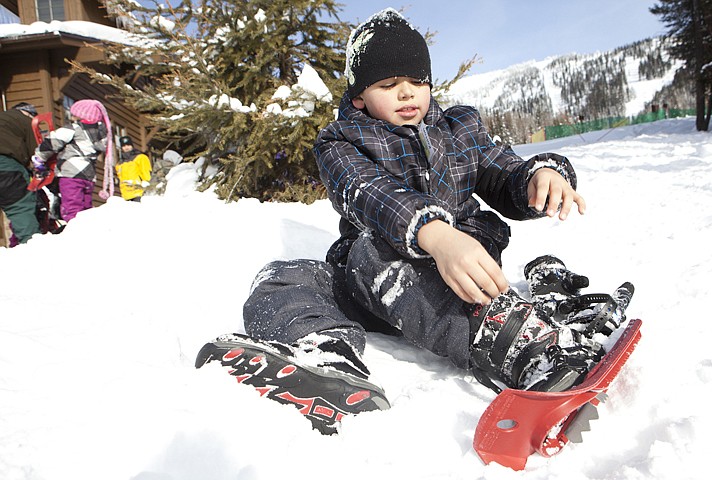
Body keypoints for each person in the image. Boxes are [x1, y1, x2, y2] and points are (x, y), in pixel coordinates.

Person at [196, 9, 634, 434]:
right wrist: (433, 232)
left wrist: (539, 175)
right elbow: (369, 192)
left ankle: (523, 349)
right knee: (281, 277)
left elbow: (503, 171)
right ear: (359, 97)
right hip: (374, 280)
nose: (407, 93)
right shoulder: (341, 142)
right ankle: (327, 357)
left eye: (417, 81)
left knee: (379, 257)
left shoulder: (461, 128)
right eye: (389, 84)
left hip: (455, 281)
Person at [33, 99, 114, 221]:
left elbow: (53, 141)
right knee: (86, 209)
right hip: (89, 176)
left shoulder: (74, 129)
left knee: (72, 208)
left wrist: (39, 157)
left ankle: (74, 233)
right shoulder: (101, 133)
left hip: (71, 173)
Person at [0, 102, 41, 244]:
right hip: (6, 165)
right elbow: (37, 154)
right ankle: (32, 250)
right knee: (19, 207)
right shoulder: (28, 121)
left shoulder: (6, 119)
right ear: (30, 114)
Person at [116, 136, 152, 201]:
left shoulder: (140, 158)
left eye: (128, 145)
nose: (126, 147)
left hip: (139, 193)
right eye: (124, 146)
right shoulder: (119, 164)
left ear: (132, 145)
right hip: (125, 195)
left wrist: (147, 187)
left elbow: (146, 174)